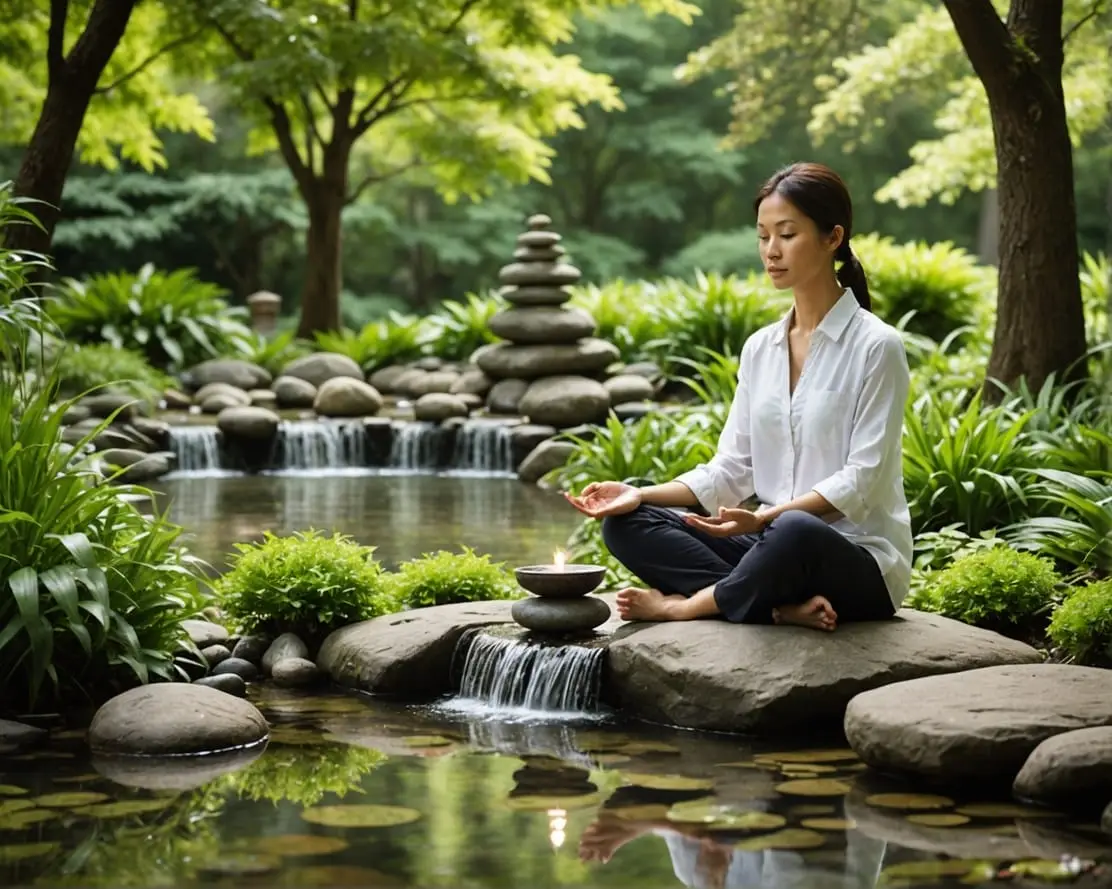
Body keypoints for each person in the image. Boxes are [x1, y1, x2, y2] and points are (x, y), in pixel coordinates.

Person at [565, 162, 913, 631]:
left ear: (833, 237)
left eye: (786, 235)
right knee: (629, 523)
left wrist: (764, 518)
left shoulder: (876, 346)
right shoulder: (761, 349)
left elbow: (861, 481)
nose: (771, 251)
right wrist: (637, 494)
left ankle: (691, 605)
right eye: (763, 236)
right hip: (768, 549)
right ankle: (773, 608)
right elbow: (730, 469)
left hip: (854, 562)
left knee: (793, 529)